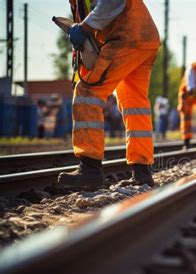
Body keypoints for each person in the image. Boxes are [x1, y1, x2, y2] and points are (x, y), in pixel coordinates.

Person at [58, 0, 160, 188]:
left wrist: (85, 28)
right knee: (134, 104)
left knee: (87, 90)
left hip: (125, 36)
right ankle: (142, 172)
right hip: (144, 36)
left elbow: (113, 2)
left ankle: (90, 170)